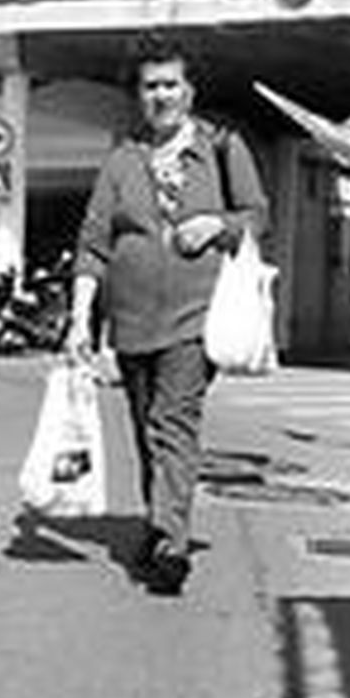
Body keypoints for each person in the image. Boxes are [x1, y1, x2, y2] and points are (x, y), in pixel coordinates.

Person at [66, 34, 268, 596]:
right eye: (151, 86)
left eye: (170, 84)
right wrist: (81, 318)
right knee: (144, 429)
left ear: (189, 90)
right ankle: (160, 520)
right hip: (129, 322)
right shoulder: (122, 160)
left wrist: (217, 226)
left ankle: (170, 547)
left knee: (171, 424)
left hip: (194, 320)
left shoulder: (222, 147)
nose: (161, 95)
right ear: (139, 94)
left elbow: (258, 216)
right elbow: (94, 243)